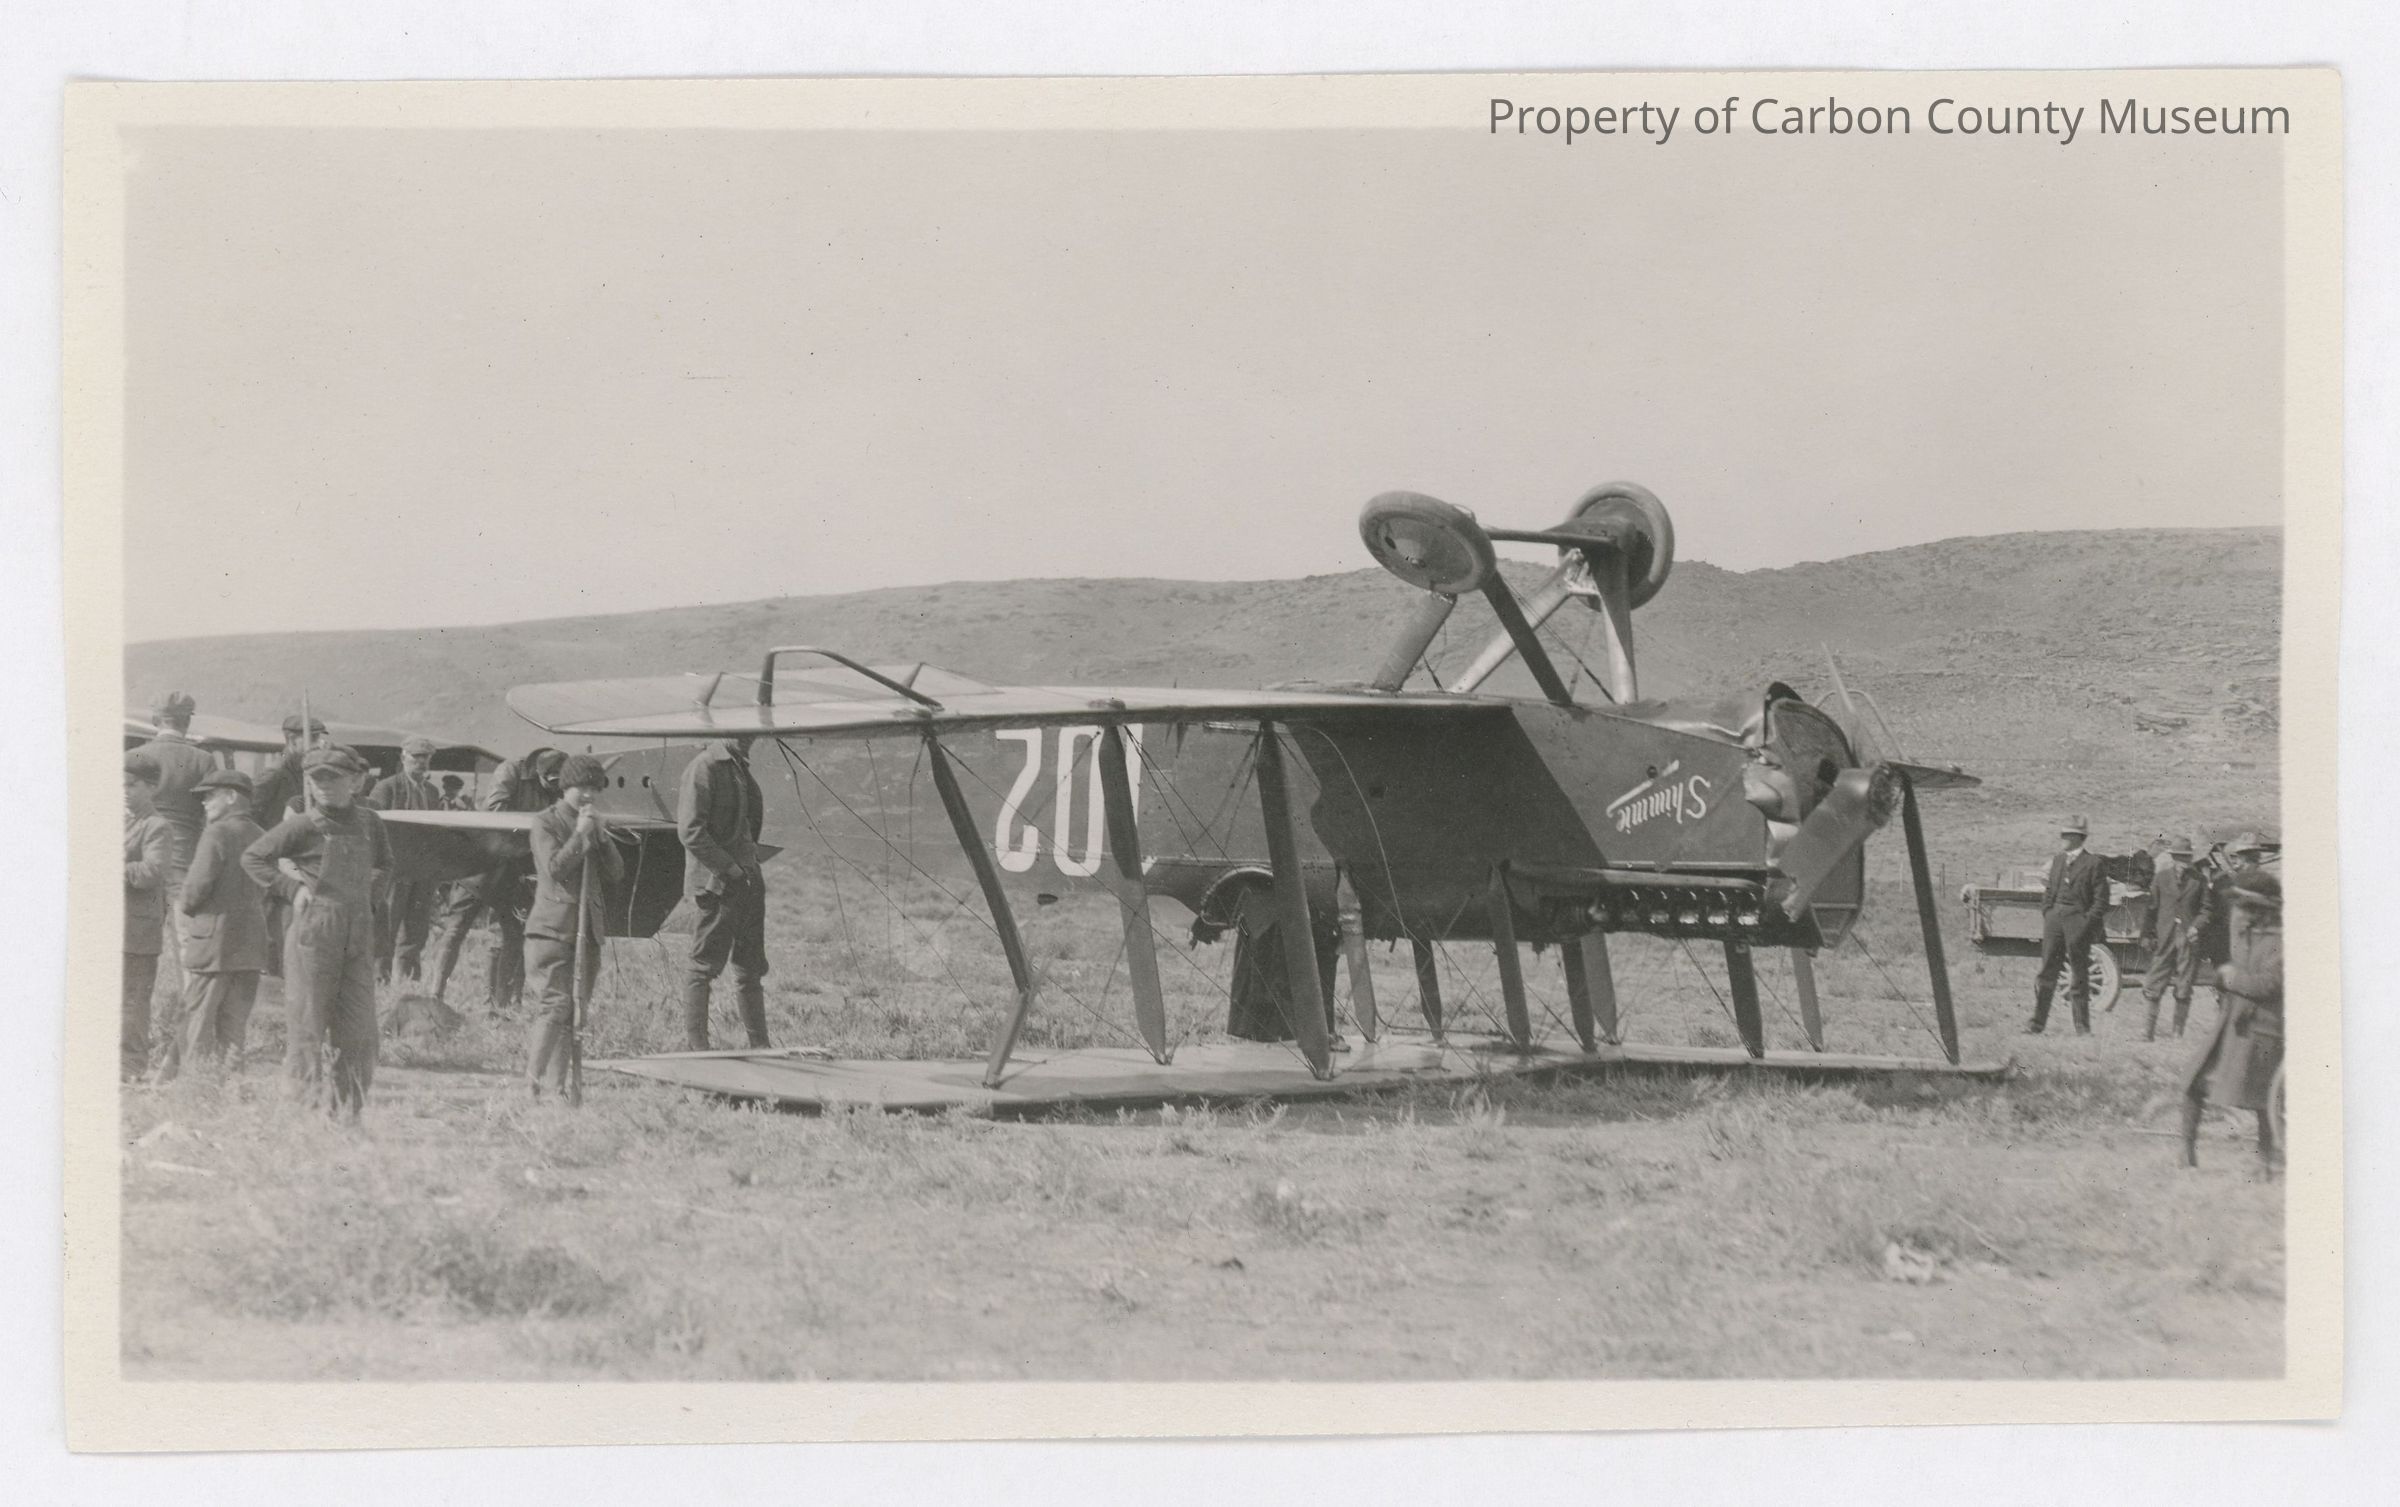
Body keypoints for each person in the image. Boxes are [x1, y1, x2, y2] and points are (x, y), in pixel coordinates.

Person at [243, 746, 391, 1118]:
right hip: (315, 932)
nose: (323, 786)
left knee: (359, 1032)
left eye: (333, 778)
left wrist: (369, 900)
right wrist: (292, 888)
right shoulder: (303, 825)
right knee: (307, 1026)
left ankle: (346, 1114)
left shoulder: (371, 822)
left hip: (358, 934)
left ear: (355, 781)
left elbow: (386, 864)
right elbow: (254, 856)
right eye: (316, 779)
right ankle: (302, 1116)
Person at [429, 747, 565, 1013]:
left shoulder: (556, 786)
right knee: (456, 929)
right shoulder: (510, 770)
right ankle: (434, 996)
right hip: (481, 862)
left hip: (517, 868)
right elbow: (496, 812)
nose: (553, 788)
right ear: (538, 772)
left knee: (510, 936)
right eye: (550, 781)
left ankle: (498, 1004)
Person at [523, 755, 624, 1096]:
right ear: (565, 786)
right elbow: (554, 869)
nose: (589, 795)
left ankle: (557, 1088)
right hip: (552, 930)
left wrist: (602, 838)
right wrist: (580, 835)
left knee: (576, 1010)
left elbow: (616, 873)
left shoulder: (593, 822)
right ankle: (532, 1085)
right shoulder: (546, 822)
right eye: (582, 788)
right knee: (556, 1006)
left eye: (595, 789)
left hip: (588, 930)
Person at [2180, 868, 2283, 1176]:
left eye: (2243, 906)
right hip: (2231, 1023)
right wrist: (2224, 977)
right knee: (2194, 1081)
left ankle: (2265, 1161)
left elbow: (2269, 985)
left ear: (2260, 910)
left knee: (2264, 1100)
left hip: (2261, 1029)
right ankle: (2186, 1154)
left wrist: (2232, 978)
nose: (2237, 913)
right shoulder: (2243, 932)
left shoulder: (2281, 941)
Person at [677, 736, 771, 1050]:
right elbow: (691, 831)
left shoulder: (738, 767)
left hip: (747, 879)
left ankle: (761, 1047)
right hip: (719, 883)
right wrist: (729, 868)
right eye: (742, 728)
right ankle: (697, 1048)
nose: (750, 736)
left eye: (753, 730)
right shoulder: (704, 767)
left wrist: (747, 869)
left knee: (750, 967)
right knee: (703, 966)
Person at [173, 769, 269, 1071]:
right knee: (234, 1023)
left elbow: (196, 887)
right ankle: (231, 1084)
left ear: (231, 797)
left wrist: (185, 908)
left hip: (213, 941)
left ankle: (191, 1083)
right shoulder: (262, 834)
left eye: (210, 796)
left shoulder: (216, 833)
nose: (204, 803)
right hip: (250, 943)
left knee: (197, 1017)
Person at [126, 691, 217, 943]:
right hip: (184, 852)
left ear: (156, 720)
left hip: (140, 853)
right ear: (187, 721)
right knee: (185, 931)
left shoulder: (134, 756)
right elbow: (212, 816)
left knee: (138, 932)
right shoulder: (204, 760)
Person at [251, 713, 328, 980]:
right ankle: (270, 979)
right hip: (274, 860)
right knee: (272, 924)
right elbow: (250, 815)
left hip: (297, 859)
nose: (317, 744)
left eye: (319, 738)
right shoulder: (275, 774)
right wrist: (271, 844)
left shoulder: (305, 772)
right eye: (312, 738)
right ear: (292, 741)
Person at [366, 735, 443, 984]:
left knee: (417, 926)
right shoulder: (386, 788)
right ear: (403, 758)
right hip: (395, 868)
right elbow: (375, 827)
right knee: (388, 923)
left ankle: (409, 978)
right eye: (416, 757)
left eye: (426, 757)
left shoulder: (432, 792)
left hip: (423, 869)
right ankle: (380, 977)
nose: (421, 762)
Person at [2028, 814, 2110, 1035]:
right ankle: (2036, 1024)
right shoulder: (2058, 860)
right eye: (2063, 834)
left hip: (2078, 922)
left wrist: (2085, 923)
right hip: (2054, 921)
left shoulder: (2093, 864)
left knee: (2079, 974)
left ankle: (2082, 1028)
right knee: (2047, 973)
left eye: (2067, 834)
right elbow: (2049, 891)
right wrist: (2048, 912)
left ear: (2078, 837)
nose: (2062, 838)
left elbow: (2101, 901)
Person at [123, 755, 176, 1080]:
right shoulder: (118, 821)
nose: (124, 792)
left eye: (132, 785)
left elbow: (152, 871)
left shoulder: (157, 826)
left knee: (133, 1001)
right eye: (120, 785)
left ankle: (130, 1067)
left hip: (138, 931)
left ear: (152, 787)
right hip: (113, 926)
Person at [2137, 835, 2215, 1041]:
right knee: (2153, 984)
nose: (2183, 862)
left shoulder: (2199, 880)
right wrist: (2146, 935)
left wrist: (2196, 927)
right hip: (2164, 939)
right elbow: (2151, 909)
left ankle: (2177, 1034)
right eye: (2180, 857)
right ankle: (2147, 1032)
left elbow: (2206, 909)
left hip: (2188, 940)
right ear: (2173, 858)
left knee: (2184, 987)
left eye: (2186, 857)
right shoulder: (2161, 878)